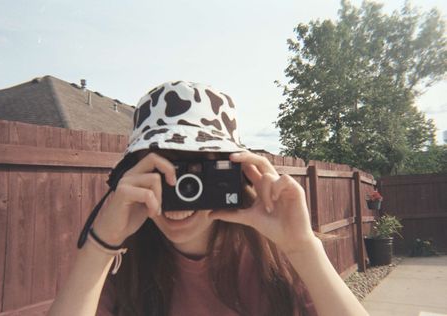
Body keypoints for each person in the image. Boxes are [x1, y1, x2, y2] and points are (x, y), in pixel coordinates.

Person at [48, 81, 368, 316]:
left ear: (236, 173)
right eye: (160, 171)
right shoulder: (122, 266)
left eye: (197, 173)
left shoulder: (277, 258)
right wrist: (99, 246)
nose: (181, 189)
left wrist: (303, 249)